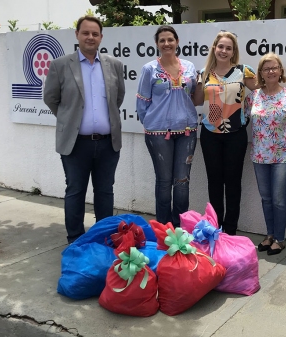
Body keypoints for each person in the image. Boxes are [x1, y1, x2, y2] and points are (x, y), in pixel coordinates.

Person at [43, 16, 125, 244]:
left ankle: (105, 239)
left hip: (108, 143)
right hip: (76, 143)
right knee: (75, 191)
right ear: (77, 34)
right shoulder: (60, 65)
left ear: (101, 37)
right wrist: (69, 119)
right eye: (86, 33)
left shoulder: (114, 65)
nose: (90, 37)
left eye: (95, 34)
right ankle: (75, 241)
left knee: (105, 192)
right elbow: (50, 98)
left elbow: (117, 98)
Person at [193, 31, 257, 235]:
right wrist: (199, 82)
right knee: (214, 181)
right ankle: (215, 227)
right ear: (214, 48)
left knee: (233, 182)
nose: (224, 50)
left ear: (233, 51)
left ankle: (230, 229)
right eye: (221, 46)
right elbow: (196, 101)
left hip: (236, 133)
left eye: (228, 48)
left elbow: (262, 89)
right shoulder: (204, 72)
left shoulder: (243, 71)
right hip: (210, 134)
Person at [136, 26, 198, 228]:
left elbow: (194, 96)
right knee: (164, 182)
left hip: (187, 131)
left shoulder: (189, 67)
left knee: (182, 182)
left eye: (170, 39)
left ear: (177, 41)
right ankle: (163, 228)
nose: (166, 44)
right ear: (157, 44)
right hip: (158, 133)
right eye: (162, 40)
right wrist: (153, 123)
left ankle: (181, 228)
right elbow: (142, 102)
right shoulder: (149, 69)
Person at [244, 53, 286, 256]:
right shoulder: (253, 97)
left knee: (279, 199)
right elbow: (243, 119)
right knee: (266, 198)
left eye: (274, 67)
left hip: (284, 157)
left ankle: (279, 238)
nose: (271, 71)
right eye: (266, 68)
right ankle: (269, 235)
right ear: (260, 73)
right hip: (259, 156)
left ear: (280, 71)